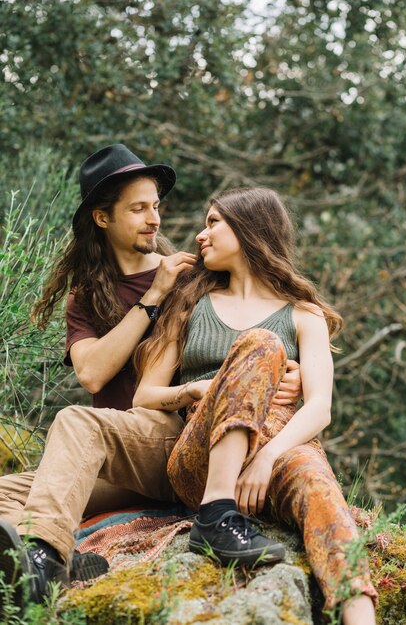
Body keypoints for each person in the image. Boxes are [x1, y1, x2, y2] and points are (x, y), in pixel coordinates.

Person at [0, 145, 301, 606]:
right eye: (138, 209)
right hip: (113, 456)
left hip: (174, 440)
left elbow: (249, 321)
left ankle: (44, 559)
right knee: (8, 492)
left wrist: (288, 371)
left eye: (156, 206)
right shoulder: (87, 295)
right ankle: (64, 563)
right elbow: (93, 373)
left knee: (77, 421)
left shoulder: (188, 275)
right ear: (103, 218)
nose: (154, 219)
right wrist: (151, 297)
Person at [133, 187, 378, 625]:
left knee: (320, 489)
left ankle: (360, 615)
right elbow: (145, 395)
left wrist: (267, 456)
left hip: (281, 448)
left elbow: (319, 408)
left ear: (248, 229)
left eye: (212, 223)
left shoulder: (303, 313)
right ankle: (217, 510)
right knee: (262, 343)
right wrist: (201, 388)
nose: (199, 236)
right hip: (201, 454)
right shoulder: (190, 305)